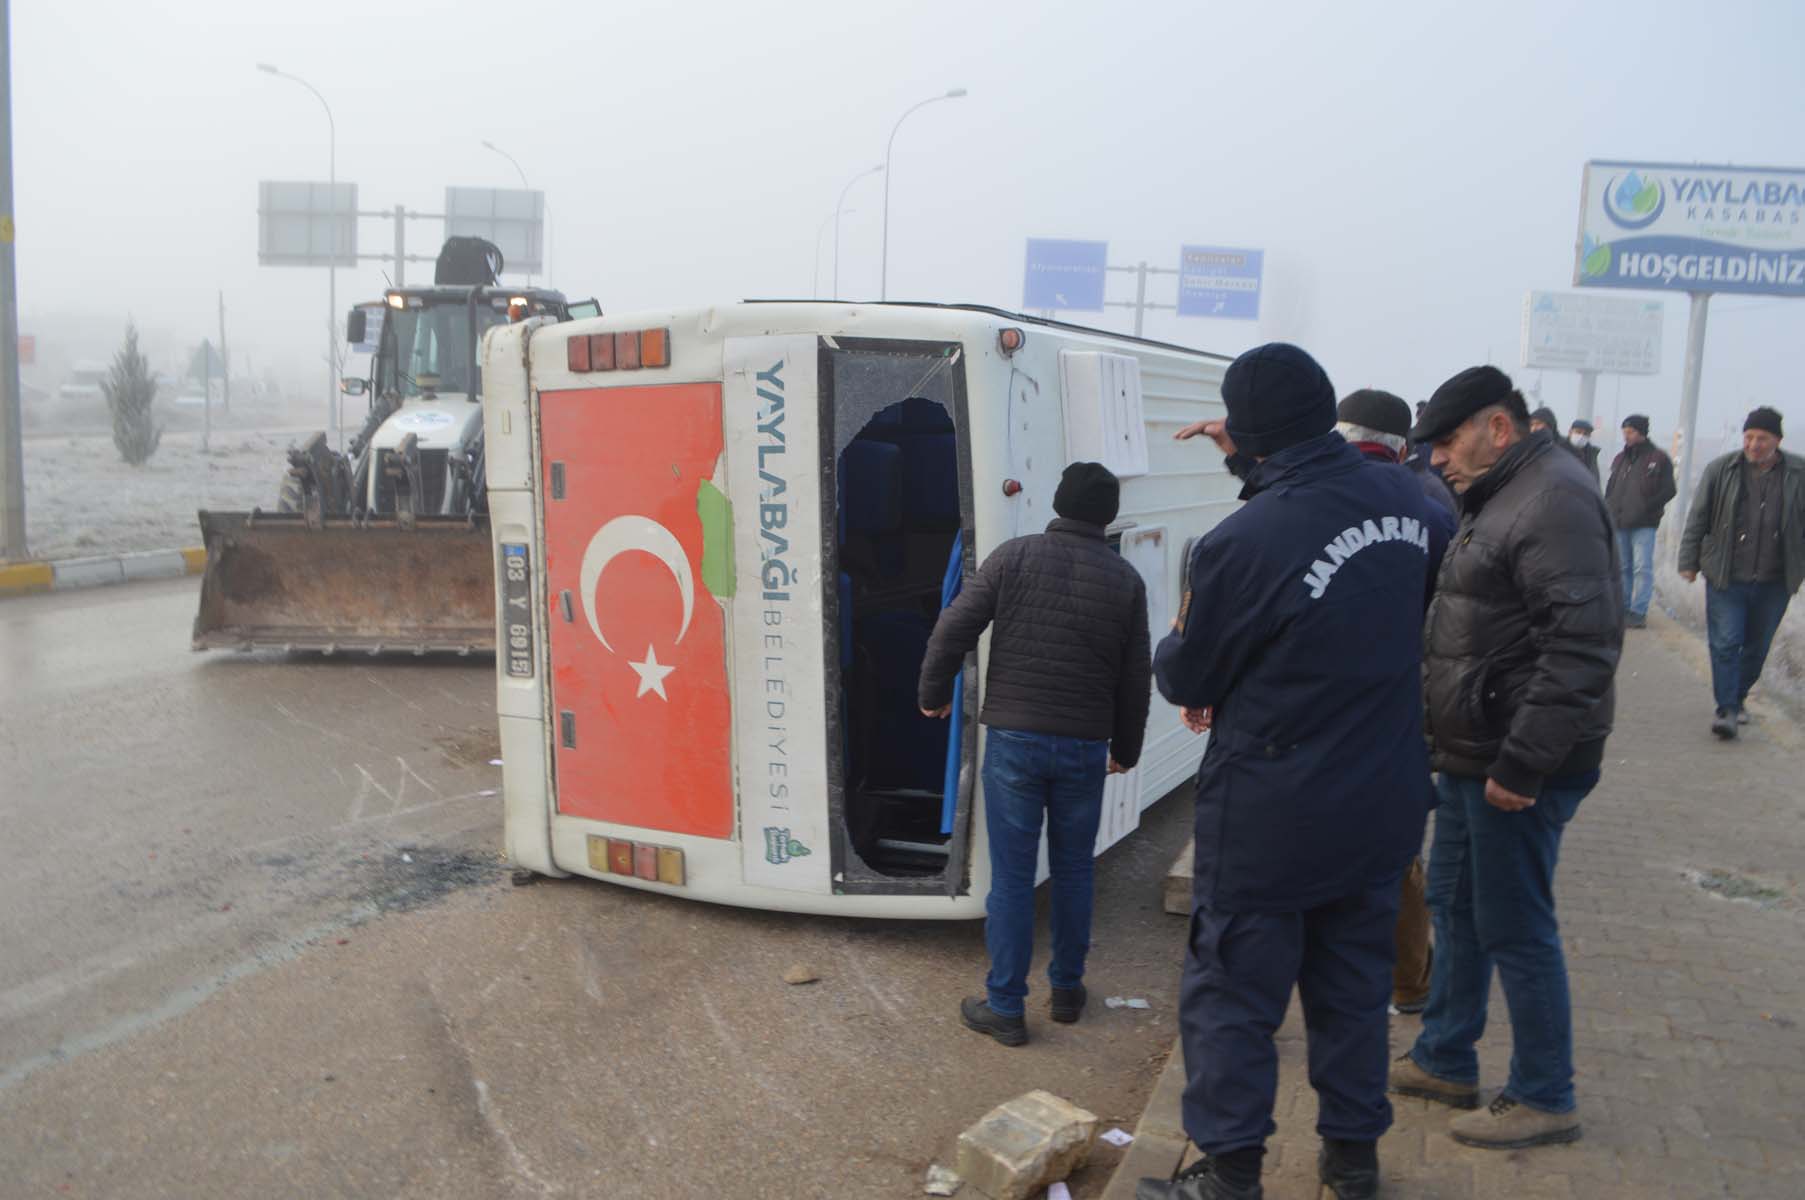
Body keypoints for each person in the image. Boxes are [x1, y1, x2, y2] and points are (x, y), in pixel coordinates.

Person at [1138, 346, 1440, 1200]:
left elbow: (1190, 678)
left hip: (1272, 814)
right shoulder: (1410, 502)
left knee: (1233, 994)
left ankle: (1228, 1175)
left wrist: (1178, 637)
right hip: (1379, 800)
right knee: (1350, 992)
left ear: (1251, 430)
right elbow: (1344, 586)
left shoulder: (1241, 541)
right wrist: (1247, 460)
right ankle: (1353, 1163)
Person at [1392, 366, 1622, 1151]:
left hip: (1516, 764)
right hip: (1472, 751)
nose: (1435, 462)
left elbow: (1582, 645)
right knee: (1456, 905)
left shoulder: (1552, 497)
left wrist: (1522, 765)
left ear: (1498, 426)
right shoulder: (1502, 491)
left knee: (1516, 924)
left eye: (1446, 442)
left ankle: (1543, 1093)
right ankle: (1445, 1056)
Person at [918, 462, 1151, 1046]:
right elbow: (1134, 676)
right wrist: (1127, 747)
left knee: (1015, 879)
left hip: (1016, 743)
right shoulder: (1125, 579)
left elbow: (953, 628)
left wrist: (932, 694)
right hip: (1083, 746)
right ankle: (1068, 991)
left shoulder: (1014, 556)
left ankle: (1005, 1007)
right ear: (1107, 516)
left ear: (1058, 502)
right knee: (1074, 870)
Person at [1336, 389, 1457, 1020]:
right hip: (1404, 706)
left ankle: (1302, 986)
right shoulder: (1433, 507)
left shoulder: (1315, 494)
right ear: (1404, 447)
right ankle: (1409, 984)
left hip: (1322, 709)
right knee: (1397, 851)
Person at [1677, 406, 1805, 739]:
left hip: (1774, 580)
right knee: (1725, 642)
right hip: (1726, 576)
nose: (1753, 444)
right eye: (1748, 437)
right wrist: (1688, 561)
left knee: (1756, 647)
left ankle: (1738, 696)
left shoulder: (1798, 473)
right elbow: (1698, 518)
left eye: (1762, 438)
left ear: (1777, 440)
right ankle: (1727, 710)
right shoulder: (1721, 470)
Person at [1605, 415, 1676, 629]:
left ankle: (1639, 611)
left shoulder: (1659, 458)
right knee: (1623, 567)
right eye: (1624, 431)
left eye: (1630, 432)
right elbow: (1611, 488)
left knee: (1641, 568)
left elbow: (1669, 490)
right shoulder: (1620, 458)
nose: (1626, 436)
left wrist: (1647, 507)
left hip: (1644, 524)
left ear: (1642, 433)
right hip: (1619, 522)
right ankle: (1623, 608)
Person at [1566, 419, 1602, 486]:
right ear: (1570, 432)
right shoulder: (1559, 451)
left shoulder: (1591, 455)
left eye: (1585, 434)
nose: (1581, 436)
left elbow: (1595, 481)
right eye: (1578, 432)